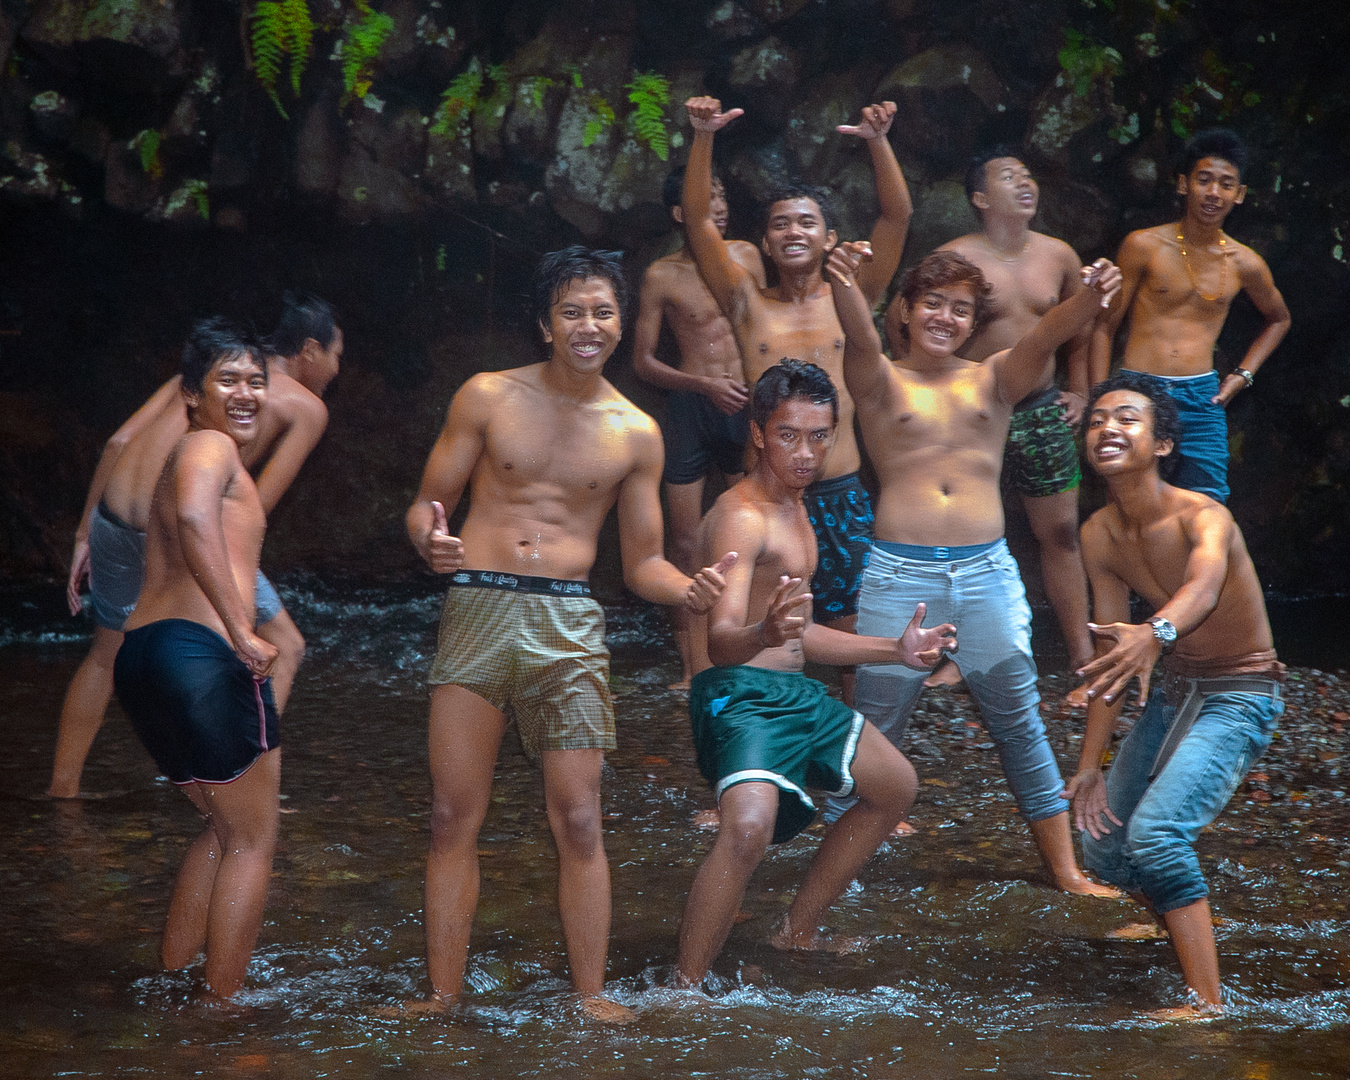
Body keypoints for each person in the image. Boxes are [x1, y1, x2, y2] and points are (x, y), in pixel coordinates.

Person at [404, 246, 733, 1022]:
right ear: (545, 322)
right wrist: (430, 543)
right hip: (478, 603)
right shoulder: (486, 396)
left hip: (568, 617)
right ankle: (440, 997)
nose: (589, 326)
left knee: (579, 817)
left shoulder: (636, 431)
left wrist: (687, 590)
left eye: (603, 311)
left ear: (620, 323)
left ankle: (591, 996)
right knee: (453, 814)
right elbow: (426, 503)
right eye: (573, 311)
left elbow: (642, 563)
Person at [821, 241, 1120, 893]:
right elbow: (854, 332)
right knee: (872, 727)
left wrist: (1092, 298)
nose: (945, 318)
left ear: (973, 322)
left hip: (986, 571)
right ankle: (834, 878)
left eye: (960, 309)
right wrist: (843, 280)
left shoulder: (994, 378)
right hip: (900, 575)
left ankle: (1066, 871)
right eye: (933, 303)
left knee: (1018, 722)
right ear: (902, 310)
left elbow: (1045, 335)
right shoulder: (877, 379)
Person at [676, 360, 955, 987]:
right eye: (788, 435)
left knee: (895, 786)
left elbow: (803, 635)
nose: (805, 453)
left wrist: (895, 650)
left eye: (819, 436)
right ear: (757, 434)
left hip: (794, 690)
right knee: (747, 827)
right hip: (739, 694)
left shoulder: (798, 510)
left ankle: (797, 930)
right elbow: (722, 643)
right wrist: (764, 634)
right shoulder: (742, 517)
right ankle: (683, 988)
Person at [48, 292, 341, 798]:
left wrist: (83, 533)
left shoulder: (203, 376)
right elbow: (250, 511)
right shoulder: (305, 408)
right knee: (286, 645)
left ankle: (62, 791)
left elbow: (117, 443)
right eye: (338, 355)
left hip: (112, 518)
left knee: (106, 655)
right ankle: (240, 781)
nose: (337, 369)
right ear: (310, 351)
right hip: (185, 527)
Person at [1065, 370, 1286, 1018]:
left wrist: (1154, 632)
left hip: (1241, 690)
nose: (1107, 427)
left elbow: (1204, 587)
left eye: (1126, 418)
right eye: (1098, 418)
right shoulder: (1098, 534)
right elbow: (1114, 654)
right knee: (1104, 845)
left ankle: (1206, 1005)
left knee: (1157, 835)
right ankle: (1179, 921)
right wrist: (1087, 768)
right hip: (1175, 690)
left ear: (1162, 444)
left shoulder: (1201, 515)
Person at [681, 94, 913, 697]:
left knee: (844, 624)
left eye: (807, 221)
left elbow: (897, 220)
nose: (793, 232)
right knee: (751, 623)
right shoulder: (746, 302)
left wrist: (877, 144)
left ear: (831, 236)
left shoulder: (853, 293)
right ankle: (745, 728)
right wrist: (703, 137)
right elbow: (699, 221)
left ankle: (845, 742)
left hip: (838, 489)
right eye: (781, 223)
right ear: (763, 239)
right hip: (763, 493)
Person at [110, 318, 283, 1000]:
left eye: (255, 382)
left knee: (221, 826)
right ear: (191, 393)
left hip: (145, 656)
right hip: (202, 655)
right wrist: (242, 630)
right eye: (228, 380)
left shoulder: (187, 450)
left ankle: (175, 980)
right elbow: (190, 517)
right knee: (253, 839)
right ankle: (221, 1011)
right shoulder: (209, 445)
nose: (245, 394)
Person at [890, 150, 1100, 671]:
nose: (1025, 183)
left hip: (1040, 409)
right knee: (961, 534)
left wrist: (1081, 389)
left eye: (1029, 176)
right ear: (981, 198)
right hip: (973, 410)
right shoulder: (957, 258)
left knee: (1061, 533)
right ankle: (954, 661)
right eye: (1010, 178)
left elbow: (1082, 324)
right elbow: (901, 316)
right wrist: (927, 383)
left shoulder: (1060, 255)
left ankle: (1083, 656)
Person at [1091, 129, 1291, 505]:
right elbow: (1105, 324)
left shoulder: (1246, 263)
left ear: (1239, 195)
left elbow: (1279, 319)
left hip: (1202, 399)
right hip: (1138, 390)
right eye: (1204, 180)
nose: (1214, 192)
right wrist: (1101, 398)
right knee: (1130, 505)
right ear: (1184, 185)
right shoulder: (1143, 245)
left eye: (1226, 184)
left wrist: (1242, 376)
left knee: (1209, 509)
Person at [632, 167, 766, 689]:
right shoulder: (661, 275)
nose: (720, 206)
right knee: (686, 544)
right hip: (691, 408)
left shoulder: (749, 257)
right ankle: (693, 670)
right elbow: (642, 361)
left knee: (753, 531)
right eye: (707, 199)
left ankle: (750, 655)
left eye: (723, 196)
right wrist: (702, 385)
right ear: (678, 212)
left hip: (746, 408)